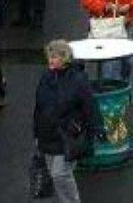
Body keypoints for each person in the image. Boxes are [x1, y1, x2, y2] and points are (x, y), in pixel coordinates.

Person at [34, 39, 100, 203]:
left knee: (59, 174)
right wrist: (36, 132)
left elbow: (89, 107)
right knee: (55, 173)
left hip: (66, 135)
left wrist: (95, 131)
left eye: (55, 57)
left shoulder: (78, 80)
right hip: (47, 133)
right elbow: (38, 107)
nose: (50, 60)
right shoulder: (46, 77)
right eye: (49, 56)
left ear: (65, 58)